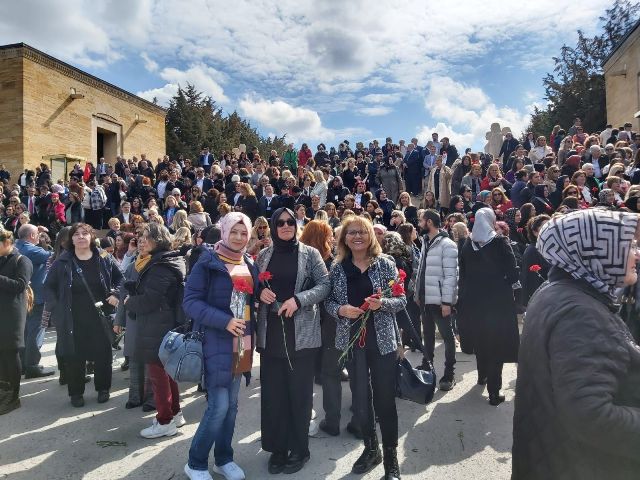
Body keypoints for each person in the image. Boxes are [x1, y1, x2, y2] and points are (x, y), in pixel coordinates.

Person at [512, 209, 640, 479]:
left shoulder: (557, 290)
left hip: (553, 458)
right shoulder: (580, 313)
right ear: (595, 253)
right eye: (628, 245)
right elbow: (591, 415)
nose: (636, 253)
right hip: (580, 465)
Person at [325, 215, 406, 480]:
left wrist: (381, 304)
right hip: (352, 342)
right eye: (351, 233)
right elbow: (328, 303)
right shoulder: (337, 269)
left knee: (384, 398)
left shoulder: (385, 264)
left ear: (370, 235)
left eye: (362, 231)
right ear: (343, 238)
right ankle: (371, 448)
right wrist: (340, 309)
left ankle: (391, 458)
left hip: (381, 341)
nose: (357, 236)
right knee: (361, 399)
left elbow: (401, 300)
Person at [255, 207, 330, 475]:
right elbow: (255, 287)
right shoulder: (264, 255)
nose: (286, 226)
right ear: (273, 227)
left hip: (302, 335)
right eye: (280, 222)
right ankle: (277, 449)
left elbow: (325, 285)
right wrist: (260, 293)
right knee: (273, 396)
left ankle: (299, 449)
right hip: (272, 334)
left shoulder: (310, 254)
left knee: (298, 395)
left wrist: (298, 299)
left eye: (290, 222)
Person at [183, 212, 257, 480]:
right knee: (219, 406)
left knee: (233, 406)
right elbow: (190, 302)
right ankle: (196, 462)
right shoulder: (208, 261)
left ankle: (223, 459)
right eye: (234, 232)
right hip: (216, 341)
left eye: (244, 233)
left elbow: (249, 298)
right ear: (224, 232)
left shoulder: (248, 261)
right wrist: (224, 321)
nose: (238, 237)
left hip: (242, 344)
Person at [45, 223, 122, 407]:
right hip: (73, 317)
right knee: (74, 356)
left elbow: (121, 278)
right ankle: (76, 393)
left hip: (100, 315)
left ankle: (103, 389)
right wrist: (56, 309)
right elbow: (48, 287)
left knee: (103, 354)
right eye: (76, 234)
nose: (80, 237)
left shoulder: (103, 257)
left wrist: (116, 294)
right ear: (71, 239)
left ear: (91, 237)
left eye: (84, 234)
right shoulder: (62, 261)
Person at [125, 223, 187, 439]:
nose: (142, 241)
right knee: (167, 373)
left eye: (146, 237)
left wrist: (128, 301)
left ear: (158, 239)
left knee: (158, 376)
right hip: (162, 324)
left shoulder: (161, 265)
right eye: (140, 237)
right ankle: (175, 413)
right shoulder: (164, 260)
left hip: (158, 325)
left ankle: (165, 421)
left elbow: (151, 300)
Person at [458, 208, 519, 405]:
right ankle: (494, 392)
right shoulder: (500, 242)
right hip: (498, 303)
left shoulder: (468, 244)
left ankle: (482, 376)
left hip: (474, 303)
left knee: (481, 340)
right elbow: (513, 273)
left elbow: (463, 274)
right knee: (496, 345)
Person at [298, 220, 344, 437]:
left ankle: (311, 416)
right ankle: (332, 419)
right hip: (328, 323)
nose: (332, 240)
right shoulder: (331, 262)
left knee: (312, 372)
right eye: (328, 236)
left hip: (309, 323)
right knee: (329, 373)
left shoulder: (301, 259)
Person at [414, 209, 458, 390]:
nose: (419, 224)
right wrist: (418, 293)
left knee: (447, 337)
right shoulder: (426, 242)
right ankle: (427, 365)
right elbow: (422, 270)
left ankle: (449, 375)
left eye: (421, 221)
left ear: (429, 222)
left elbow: (451, 276)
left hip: (440, 301)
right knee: (429, 336)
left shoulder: (447, 245)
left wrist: (447, 302)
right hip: (425, 299)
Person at [0, 229, 33, 415]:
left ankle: (13, 397)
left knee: (10, 353)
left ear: (6, 242)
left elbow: (20, 285)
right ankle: (3, 392)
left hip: (12, 314)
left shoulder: (22, 260)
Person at [15, 224, 54, 378]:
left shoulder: (15, 246)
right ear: (32, 236)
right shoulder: (33, 250)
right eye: (37, 234)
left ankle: (23, 365)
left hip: (21, 298)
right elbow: (55, 255)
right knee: (36, 331)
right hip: (37, 297)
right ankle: (32, 365)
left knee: (25, 332)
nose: (39, 236)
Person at [520, 215, 551, 306]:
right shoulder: (532, 251)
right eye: (545, 227)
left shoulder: (550, 248)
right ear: (535, 232)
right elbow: (531, 280)